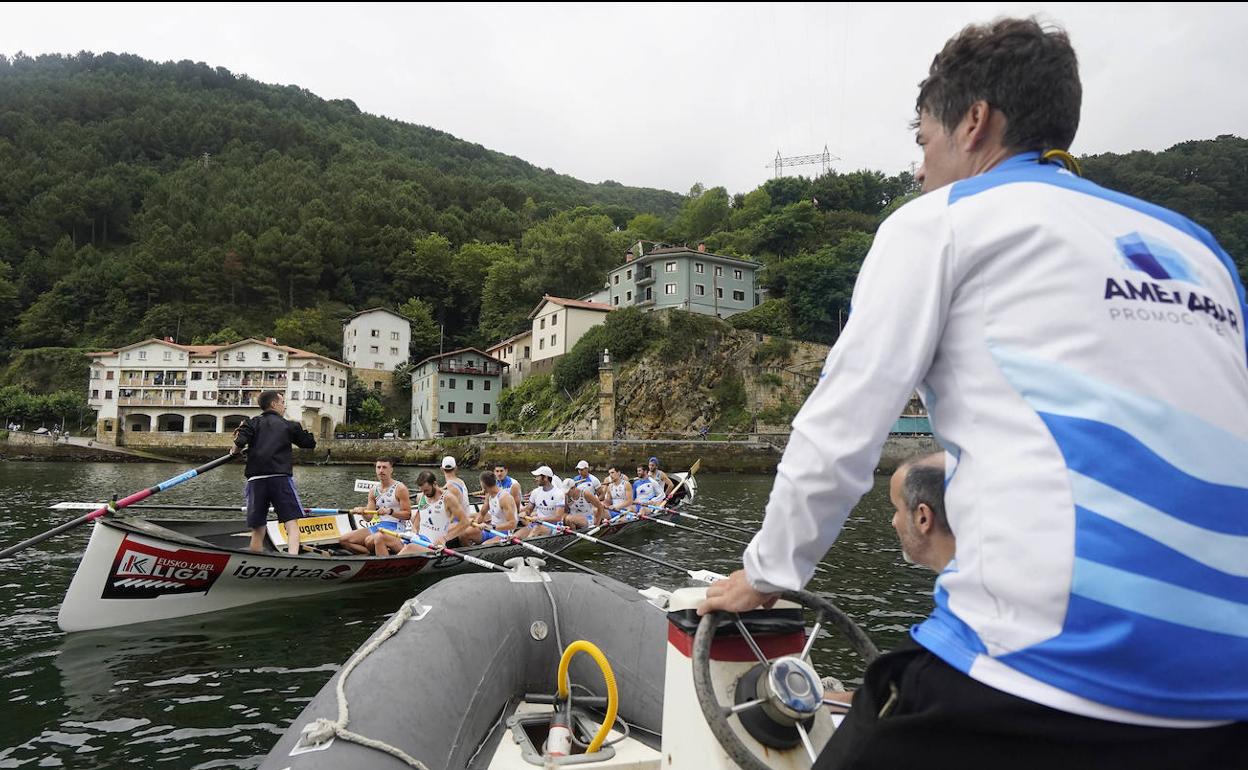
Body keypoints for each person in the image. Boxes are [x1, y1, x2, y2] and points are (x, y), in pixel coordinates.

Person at [700, 17, 1248, 766]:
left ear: (975, 121)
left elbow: (839, 431)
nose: (920, 171)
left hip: (1042, 671)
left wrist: (767, 575)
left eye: (923, 141)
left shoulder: (940, 224)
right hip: (1228, 696)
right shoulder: (1202, 250)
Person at [230, 390, 316, 555]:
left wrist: (234, 451)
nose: (284, 406)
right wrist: (302, 430)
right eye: (283, 403)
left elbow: (239, 444)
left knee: (258, 526)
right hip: (280, 479)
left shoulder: (251, 423)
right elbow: (309, 443)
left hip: (256, 480)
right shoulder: (289, 426)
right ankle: (293, 557)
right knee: (291, 522)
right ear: (274, 404)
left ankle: (254, 557)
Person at [339, 457, 412, 556]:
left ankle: (379, 555)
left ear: (391, 470)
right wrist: (362, 511)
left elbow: (407, 515)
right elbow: (369, 518)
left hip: (396, 527)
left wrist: (390, 511)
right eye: (378, 467)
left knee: (369, 541)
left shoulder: (400, 488)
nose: (381, 470)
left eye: (384, 467)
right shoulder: (373, 490)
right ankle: (369, 555)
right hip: (380, 526)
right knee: (344, 540)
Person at [398, 470, 471, 554]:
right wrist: (414, 532)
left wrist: (445, 538)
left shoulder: (448, 498)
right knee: (384, 537)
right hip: (420, 540)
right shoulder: (421, 497)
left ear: (435, 484)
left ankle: (390, 564)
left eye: (426, 490)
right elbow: (418, 518)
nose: (424, 494)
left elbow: (465, 522)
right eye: (422, 491)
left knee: (410, 548)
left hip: (435, 545)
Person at [463, 471, 518, 546]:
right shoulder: (489, 495)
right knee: (464, 534)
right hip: (490, 529)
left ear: (483, 484)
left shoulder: (504, 498)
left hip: (505, 532)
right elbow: (482, 514)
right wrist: (474, 523)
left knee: (484, 546)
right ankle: (468, 552)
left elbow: (512, 524)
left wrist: (492, 527)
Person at [515, 465, 565, 538]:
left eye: (537, 476)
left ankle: (527, 546)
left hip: (554, 526)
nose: (535, 479)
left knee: (536, 529)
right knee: (514, 537)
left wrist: (540, 519)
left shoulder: (558, 494)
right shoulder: (535, 492)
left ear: (545, 478)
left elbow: (558, 518)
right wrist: (524, 513)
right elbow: (528, 510)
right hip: (537, 524)